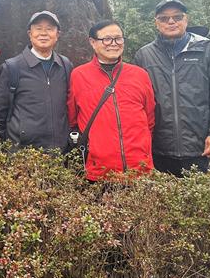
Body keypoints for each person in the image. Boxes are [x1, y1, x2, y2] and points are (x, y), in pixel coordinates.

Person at [132, 0, 210, 176]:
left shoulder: (207, 49)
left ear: (186, 19)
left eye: (177, 17)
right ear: (156, 23)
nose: (171, 22)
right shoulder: (144, 55)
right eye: (164, 18)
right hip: (158, 148)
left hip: (199, 147)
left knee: (196, 194)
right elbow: (138, 102)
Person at [66, 20, 156, 181]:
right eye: (107, 39)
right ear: (93, 42)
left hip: (140, 169)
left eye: (118, 38)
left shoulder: (140, 75)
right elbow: (73, 117)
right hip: (99, 171)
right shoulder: (79, 76)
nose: (114, 44)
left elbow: (149, 118)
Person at [0, 11, 73, 153]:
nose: (44, 33)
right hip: (24, 154)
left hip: (61, 152)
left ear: (57, 34)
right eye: (38, 28)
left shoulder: (65, 65)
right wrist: (5, 149)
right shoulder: (12, 67)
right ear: (30, 33)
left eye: (49, 29)